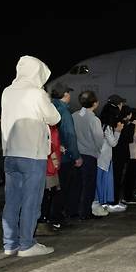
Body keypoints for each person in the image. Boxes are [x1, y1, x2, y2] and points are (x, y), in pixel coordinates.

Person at [1, 56, 61, 257]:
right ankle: (27, 244)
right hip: (32, 155)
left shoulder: (7, 92)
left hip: (10, 154)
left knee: (11, 201)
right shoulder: (37, 93)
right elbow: (54, 117)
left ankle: (10, 244)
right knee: (31, 201)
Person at [49, 82, 83, 223]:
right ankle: (58, 217)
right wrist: (76, 156)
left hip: (52, 156)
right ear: (65, 95)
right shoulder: (64, 112)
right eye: (68, 93)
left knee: (54, 189)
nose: (70, 95)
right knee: (65, 189)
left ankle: (52, 216)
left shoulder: (50, 108)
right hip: (65, 157)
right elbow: (70, 135)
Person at [73, 90, 105, 220]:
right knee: (89, 186)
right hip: (89, 155)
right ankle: (85, 212)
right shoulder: (93, 119)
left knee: (77, 185)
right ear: (95, 103)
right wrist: (99, 151)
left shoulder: (74, 115)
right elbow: (98, 139)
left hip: (76, 155)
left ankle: (74, 210)